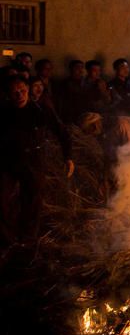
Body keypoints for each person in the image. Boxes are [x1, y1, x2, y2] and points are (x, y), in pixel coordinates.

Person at [0, 77, 73, 244]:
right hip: (7, 161)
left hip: (33, 160)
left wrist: (68, 157)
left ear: (28, 89)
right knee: (2, 199)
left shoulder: (41, 110)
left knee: (32, 201)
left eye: (22, 90)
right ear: (9, 94)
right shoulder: (3, 112)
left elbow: (62, 132)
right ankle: (7, 238)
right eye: (15, 92)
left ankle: (28, 238)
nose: (19, 95)